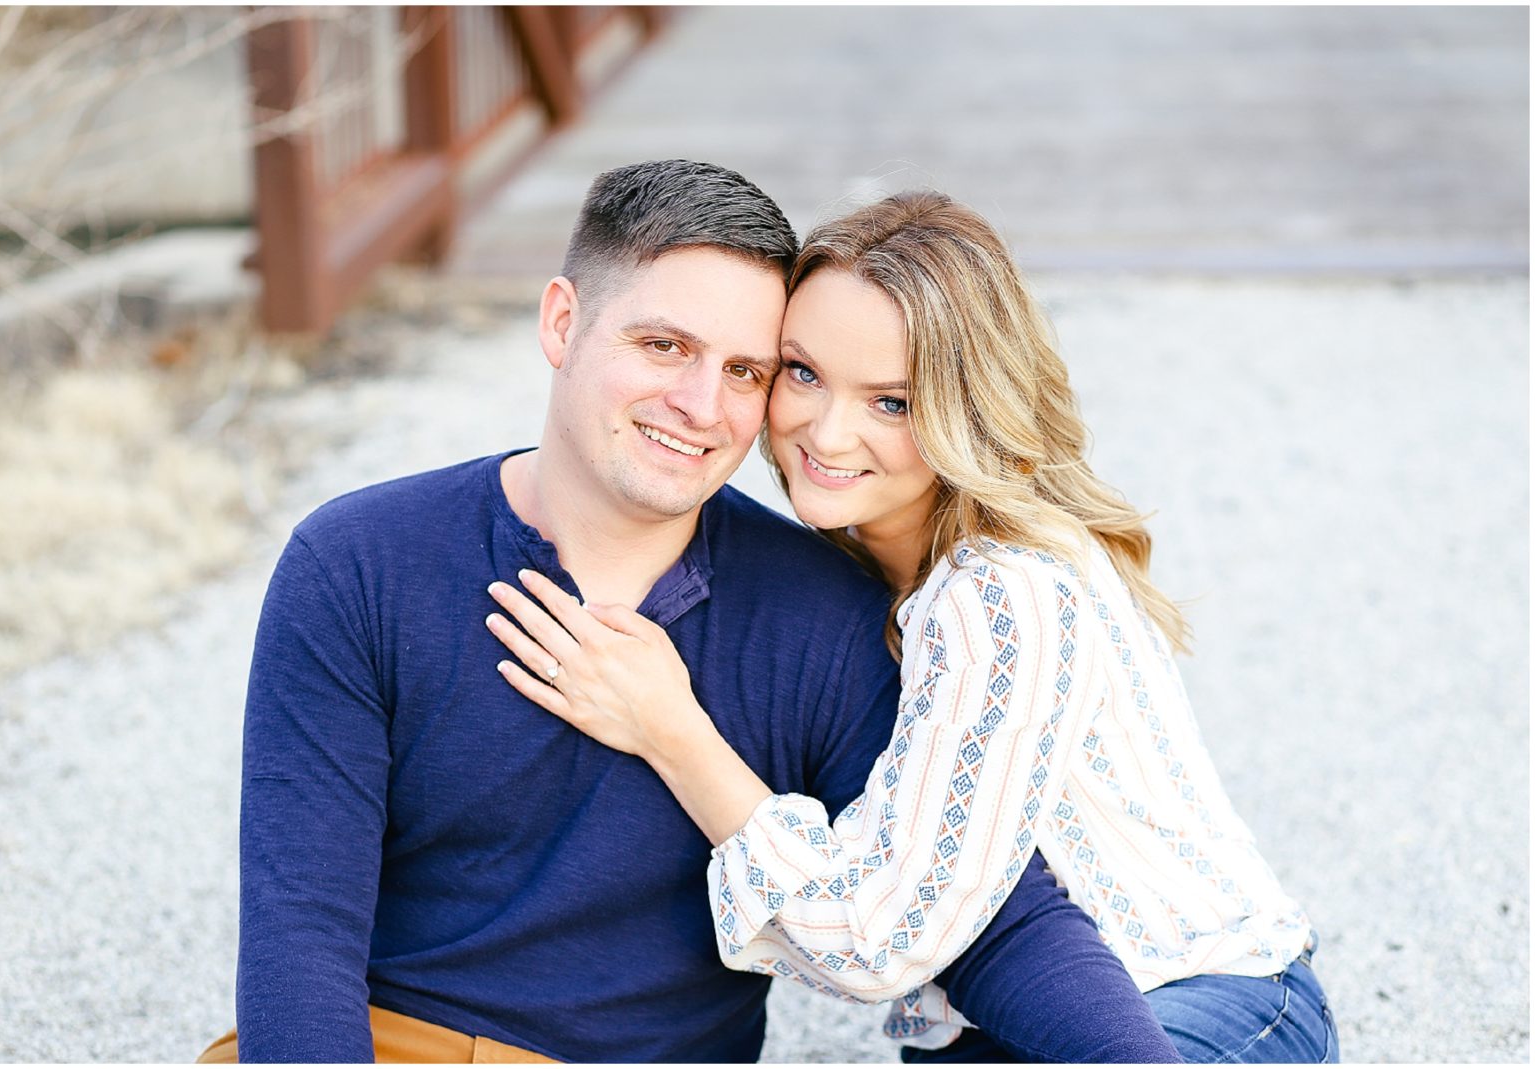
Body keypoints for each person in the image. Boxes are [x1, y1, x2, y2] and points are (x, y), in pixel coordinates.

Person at [205, 161, 1180, 1063]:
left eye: (747, 371)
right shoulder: (361, 563)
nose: (699, 405)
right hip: (402, 1042)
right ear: (561, 323)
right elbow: (302, 936)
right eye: (663, 345)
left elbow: (996, 923)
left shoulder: (823, 615)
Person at [488, 190, 1341, 1063]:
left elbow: (879, 935)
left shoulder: (1000, 589)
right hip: (1013, 1031)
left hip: (1205, 1007)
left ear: (967, 407)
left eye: (891, 402)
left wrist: (672, 731)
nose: (826, 430)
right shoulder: (873, 567)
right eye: (804, 372)